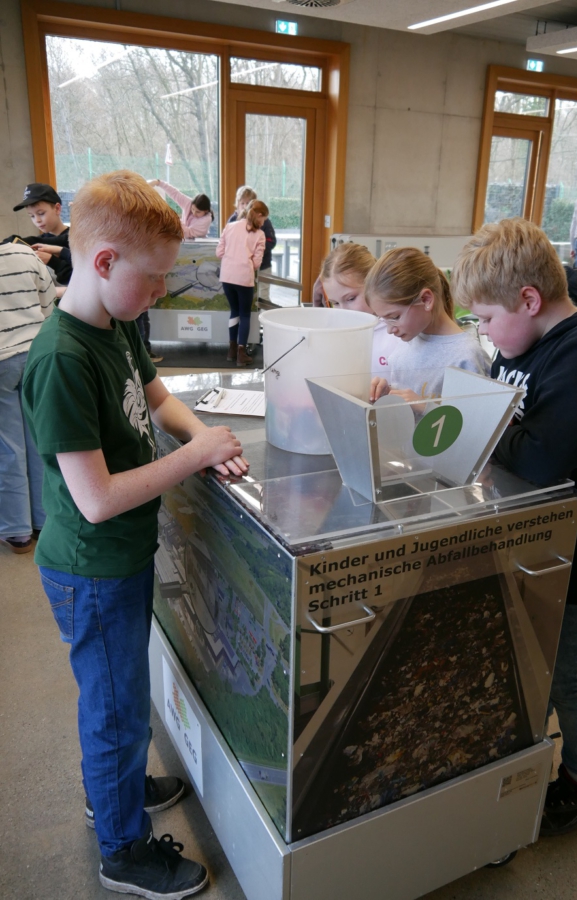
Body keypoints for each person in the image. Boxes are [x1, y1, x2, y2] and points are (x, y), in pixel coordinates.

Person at [21, 170, 249, 899]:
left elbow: (157, 397)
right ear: (104, 262)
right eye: (153, 279)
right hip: (91, 568)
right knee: (115, 707)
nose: (161, 292)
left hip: (119, 560)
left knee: (121, 695)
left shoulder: (114, 323)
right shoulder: (62, 358)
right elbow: (95, 500)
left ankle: (112, 789)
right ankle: (121, 850)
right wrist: (193, 457)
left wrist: (205, 436)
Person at [452, 217, 577, 837]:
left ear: (529, 300)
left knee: (571, 678)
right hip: (538, 543)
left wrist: (484, 423)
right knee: (540, 664)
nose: (482, 333)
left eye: (485, 318)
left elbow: (540, 458)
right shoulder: (524, 344)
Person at [366, 247, 490, 403]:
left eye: (394, 317)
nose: (389, 330)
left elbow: (475, 416)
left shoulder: (466, 357)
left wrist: (425, 407)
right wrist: (387, 393)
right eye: (383, 319)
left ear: (426, 300)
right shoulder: (406, 345)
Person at [0, 243, 55, 554]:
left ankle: (16, 531)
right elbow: (48, 305)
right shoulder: (23, 255)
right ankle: (44, 520)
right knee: (38, 440)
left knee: (7, 447)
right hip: (36, 354)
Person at [317, 243, 399, 375]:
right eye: (335, 303)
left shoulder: (399, 332)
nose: (344, 312)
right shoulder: (331, 335)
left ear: (373, 285)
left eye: (351, 299)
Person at [216, 199, 268, 366]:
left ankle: (231, 351)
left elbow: (219, 252)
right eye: (264, 219)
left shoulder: (230, 226)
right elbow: (257, 263)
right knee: (245, 314)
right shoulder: (259, 234)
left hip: (227, 277)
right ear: (258, 215)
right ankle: (241, 353)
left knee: (234, 312)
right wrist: (247, 262)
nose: (263, 223)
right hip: (244, 278)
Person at [12, 183, 73, 285]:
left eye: (41, 213)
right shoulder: (36, 245)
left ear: (57, 208)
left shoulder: (77, 239)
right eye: (32, 216)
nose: (37, 220)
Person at [228, 186, 277, 303]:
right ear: (237, 204)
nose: (245, 206)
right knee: (244, 298)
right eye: (242, 203)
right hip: (240, 268)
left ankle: (263, 314)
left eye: (248, 203)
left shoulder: (264, 220)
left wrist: (256, 251)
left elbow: (271, 240)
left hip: (263, 266)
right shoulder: (233, 220)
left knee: (263, 297)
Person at [148, 180, 214, 240]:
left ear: (206, 211)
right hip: (183, 239)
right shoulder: (189, 203)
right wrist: (158, 182)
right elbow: (175, 194)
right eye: (193, 209)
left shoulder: (206, 220)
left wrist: (176, 219)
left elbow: (188, 234)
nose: (194, 213)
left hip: (197, 245)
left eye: (198, 212)